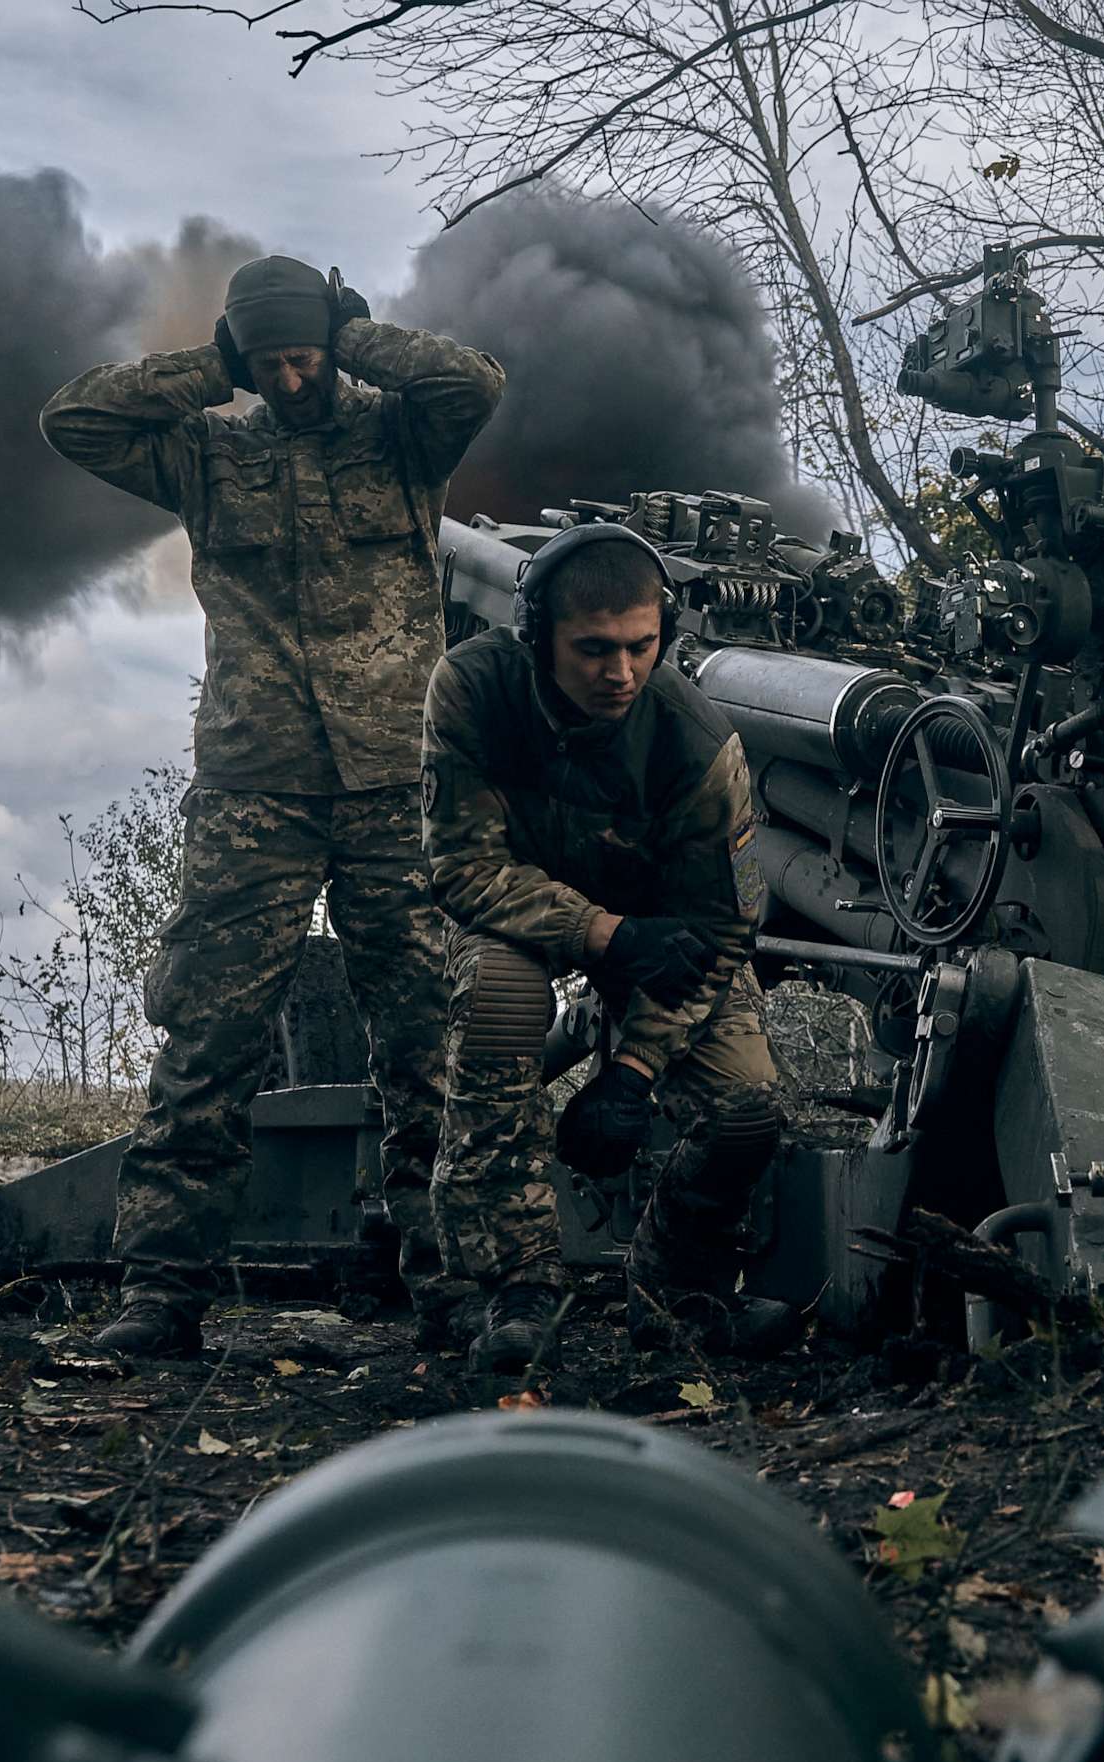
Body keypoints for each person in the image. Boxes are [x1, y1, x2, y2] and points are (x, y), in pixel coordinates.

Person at [41, 256, 503, 1359]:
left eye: (306, 357)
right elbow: (75, 420)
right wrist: (213, 365)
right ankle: (162, 1291)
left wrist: (355, 338)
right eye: (275, 361)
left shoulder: (401, 438)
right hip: (259, 784)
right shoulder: (207, 448)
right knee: (209, 1032)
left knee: (429, 1034)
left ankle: (453, 1287)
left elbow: (472, 384)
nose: (293, 380)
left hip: (399, 778)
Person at [419, 522, 804, 1372]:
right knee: (499, 1000)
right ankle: (509, 1281)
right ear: (535, 635)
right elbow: (462, 865)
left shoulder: (696, 743)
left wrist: (632, 1072)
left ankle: (679, 1292)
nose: (621, 673)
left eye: (642, 646)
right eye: (592, 649)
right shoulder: (474, 690)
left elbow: (725, 927)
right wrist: (601, 934)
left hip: (666, 939)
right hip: (520, 915)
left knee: (749, 1107)